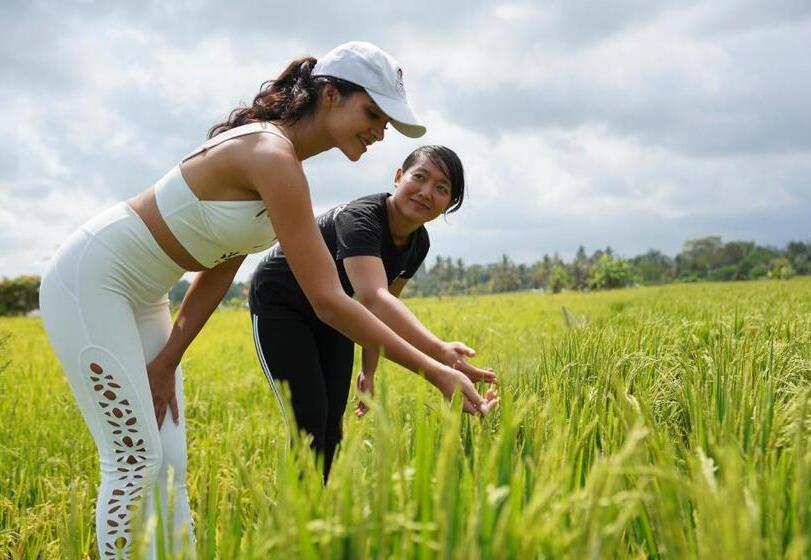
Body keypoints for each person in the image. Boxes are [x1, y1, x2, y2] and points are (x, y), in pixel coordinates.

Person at [39, 41, 497, 560]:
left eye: (386, 122)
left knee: (169, 461)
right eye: (372, 113)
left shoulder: (285, 165)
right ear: (330, 95)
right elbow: (329, 301)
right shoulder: (271, 155)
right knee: (133, 459)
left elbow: (218, 266)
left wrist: (169, 358)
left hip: (146, 299)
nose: (379, 132)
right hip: (92, 280)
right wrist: (436, 370)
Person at [250, 145, 498, 480]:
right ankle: (294, 520)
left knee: (332, 422)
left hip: (338, 313)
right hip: (283, 305)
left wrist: (369, 372)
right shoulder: (361, 218)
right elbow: (373, 298)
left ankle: (318, 510)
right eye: (420, 177)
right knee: (308, 417)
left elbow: (382, 310)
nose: (427, 192)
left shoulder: (417, 243)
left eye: (442, 189)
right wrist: (439, 356)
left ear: (448, 205)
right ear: (399, 177)